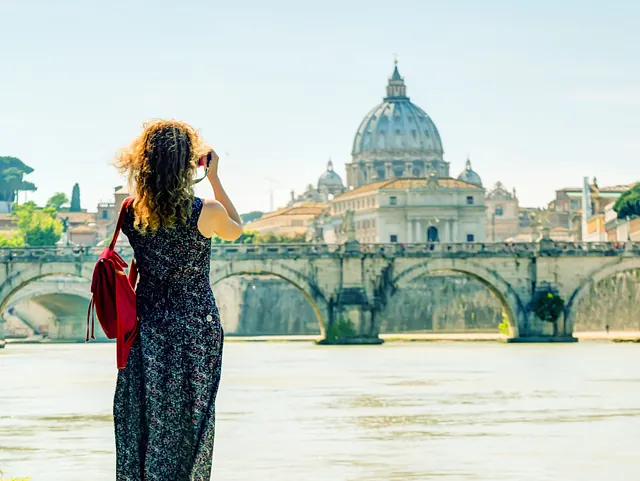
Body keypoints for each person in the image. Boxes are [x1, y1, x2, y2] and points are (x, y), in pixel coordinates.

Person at [112, 119, 242, 480]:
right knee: (189, 421)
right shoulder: (208, 211)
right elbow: (237, 228)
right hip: (195, 329)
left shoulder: (129, 212)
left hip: (147, 328)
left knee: (146, 419)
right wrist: (214, 177)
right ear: (190, 163)